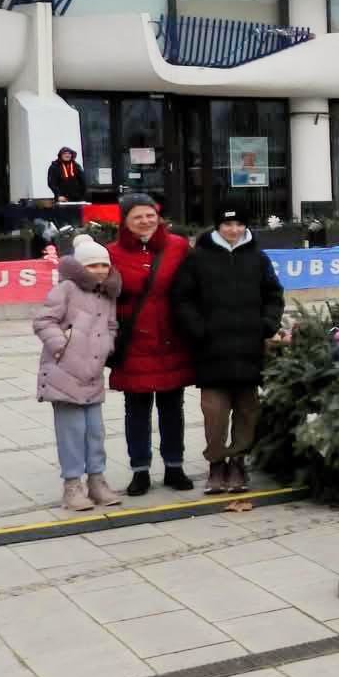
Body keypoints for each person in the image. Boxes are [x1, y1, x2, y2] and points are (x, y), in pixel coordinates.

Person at [170, 209, 283, 495]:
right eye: (228, 224)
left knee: (247, 411)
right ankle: (216, 463)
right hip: (211, 352)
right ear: (218, 226)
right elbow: (182, 298)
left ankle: (238, 462)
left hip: (249, 350)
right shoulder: (198, 258)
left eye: (239, 224)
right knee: (215, 414)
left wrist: (267, 324)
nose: (234, 229)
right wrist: (197, 329)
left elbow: (273, 294)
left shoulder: (258, 257)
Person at [106, 194, 195, 495]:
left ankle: (174, 466)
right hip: (133, 343)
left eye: (150, 215)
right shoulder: (112, 253)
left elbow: (194, 286)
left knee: (172, 409)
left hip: (172, 339)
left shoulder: (178, 246)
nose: (145, 221)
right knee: (136, 411)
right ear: (125, 222)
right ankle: (140, 470)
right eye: (137, 217)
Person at [33, 235, 122, 512]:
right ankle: (72, 485)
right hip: (65, 373)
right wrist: (62, 345)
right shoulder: (67, 289)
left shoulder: (107, 293)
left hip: (93, 373)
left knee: (95, 432)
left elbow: (111, 325)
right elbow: (43, 320)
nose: (100, 270)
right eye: (93, 265)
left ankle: (97, 480)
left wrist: (108, 346)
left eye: (104, 265)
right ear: (81, 267)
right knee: (71, 433)